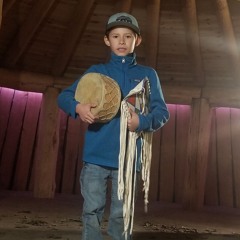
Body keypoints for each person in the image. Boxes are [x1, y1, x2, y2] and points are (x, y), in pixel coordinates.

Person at [57, 12, 169, 240]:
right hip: (95, 158)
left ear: (137, 40)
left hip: (128, 162)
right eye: (116, 36)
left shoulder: (148, 76)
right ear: (107, 40)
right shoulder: (96, 72)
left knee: (121, 215)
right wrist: (78, 108)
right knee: (91, 211)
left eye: (128, 36)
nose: (121, 41)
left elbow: (162, 113)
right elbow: (64, 97)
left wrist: (142, 122)